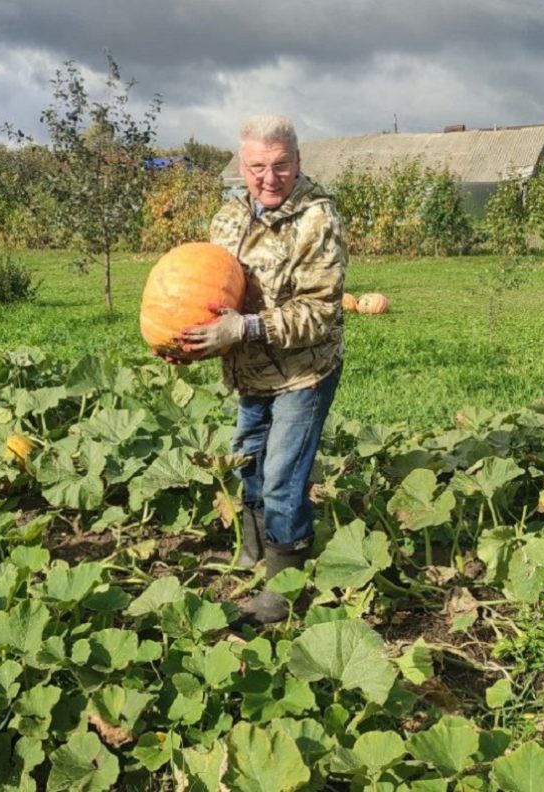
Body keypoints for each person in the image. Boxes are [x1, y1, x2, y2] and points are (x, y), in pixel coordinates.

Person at [176, 114, 347, 624]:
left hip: (303, 372)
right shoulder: (228, 218)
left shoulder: (318, 220)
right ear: (241, 164)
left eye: (280, 166)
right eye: (257, 167)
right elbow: (210, 290)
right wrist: (187, 339)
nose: (269, 179)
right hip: (249, 372)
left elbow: (319, 312)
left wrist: (244, 328)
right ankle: (254, 551)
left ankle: (284, 586)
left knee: (281, 478)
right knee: (248, 464)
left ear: (297, 161)